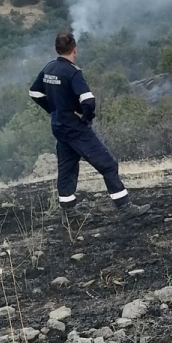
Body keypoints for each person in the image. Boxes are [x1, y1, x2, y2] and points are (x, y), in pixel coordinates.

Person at [29, 30, 149, 216]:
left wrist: (52, 109)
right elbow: (88, 100)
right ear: (74, 50)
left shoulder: (49, 68)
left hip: (58, 126)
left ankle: (68, 212)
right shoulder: (72, 72)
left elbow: (34, 93)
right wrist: (86, 117)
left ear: (56, 49)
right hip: (75, 128)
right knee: (108, 164)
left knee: (67, 167)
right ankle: (124, 207)